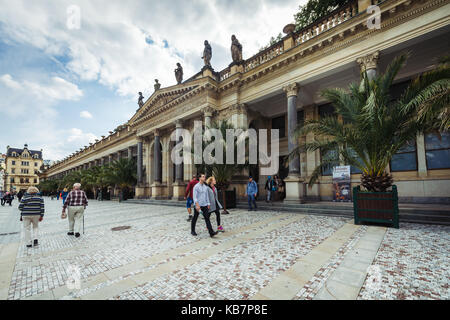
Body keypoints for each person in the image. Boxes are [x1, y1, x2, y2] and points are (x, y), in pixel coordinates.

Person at [191, 174, 218, 238]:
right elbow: (195, 197)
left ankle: (211, 232)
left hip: (205, 205)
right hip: (198, 205)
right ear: (199, 178)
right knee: (195, 217)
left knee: (207, 218)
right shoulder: (196, 187)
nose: (204, 177)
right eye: (203, 177)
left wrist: (208, 203)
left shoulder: (205, 187)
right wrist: (197, 205)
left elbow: (207, 196)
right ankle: (192, 230)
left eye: (204, 177)